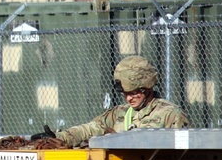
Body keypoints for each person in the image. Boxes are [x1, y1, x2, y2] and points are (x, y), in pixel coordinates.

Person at [39, 56, 190, 148]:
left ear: (147, 88)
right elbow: (91, 129)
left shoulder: (171, 115)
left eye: (135, 92)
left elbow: (185, 151)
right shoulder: (119, 113)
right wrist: (60, 137)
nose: (129, 98)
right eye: (126, 94)